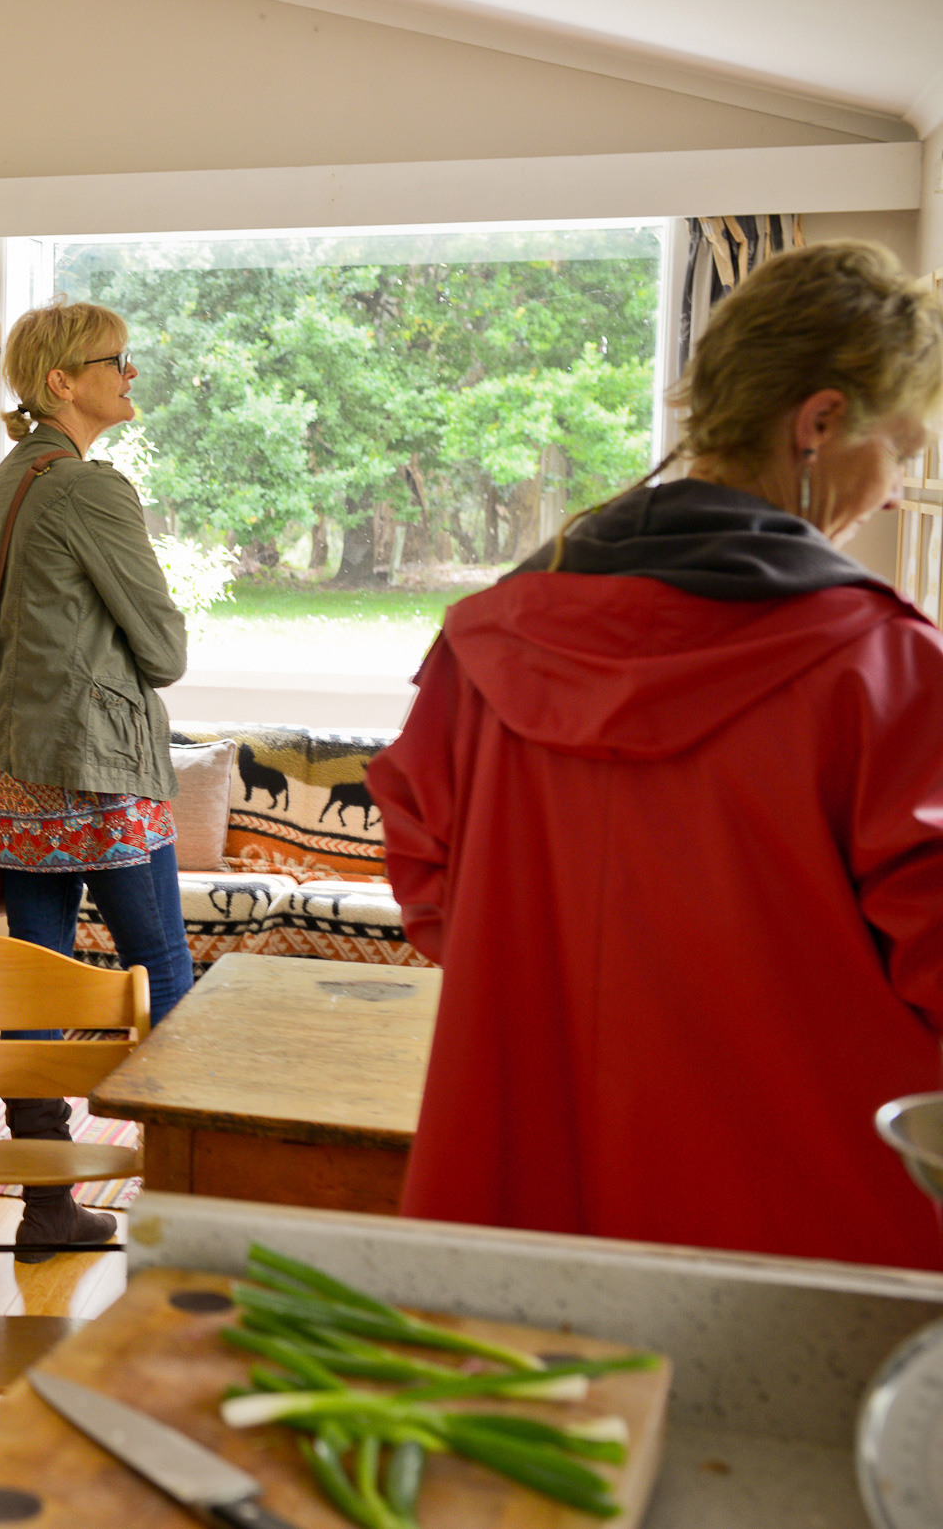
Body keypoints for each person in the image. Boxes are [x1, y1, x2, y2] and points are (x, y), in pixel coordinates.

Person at [366, 241, 943, 1271]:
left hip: (523, 1193)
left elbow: (430, 891)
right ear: (818, 423)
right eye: (900, 449)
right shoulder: (884, 669)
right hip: (802, 1228)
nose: (897, 491)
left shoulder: (486, 642)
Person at [0, 299, 194, 1263]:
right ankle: (181, 1202)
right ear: (62, 382)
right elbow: (164, 648)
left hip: (20, 766)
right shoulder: (90, 488)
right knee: (161, 971)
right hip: (102, 767)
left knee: (35, 984)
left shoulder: (5, 481)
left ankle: (46, 1207)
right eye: (115, 361)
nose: (130, 375)